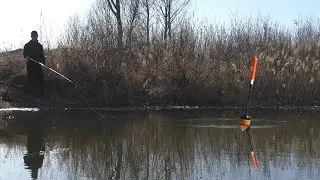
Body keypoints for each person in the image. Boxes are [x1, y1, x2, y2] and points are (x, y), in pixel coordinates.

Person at [23, 31, 45, 98]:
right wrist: (27, 56)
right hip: (30, 64)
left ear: (37, 36)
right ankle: (29, 94)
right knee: (30, 78)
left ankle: (41, 94)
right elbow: (24, 54)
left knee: (40, 78)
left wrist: (43, 62)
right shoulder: (27, 45)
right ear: (31, 36)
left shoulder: (40, 46)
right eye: (33, 36)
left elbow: (42, 55)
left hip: (37, 65)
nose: (35, 37)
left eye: (35, 36)